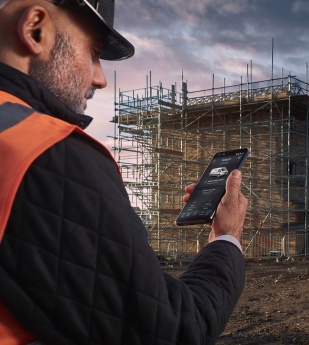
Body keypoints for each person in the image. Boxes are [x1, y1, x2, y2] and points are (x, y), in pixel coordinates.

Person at [0, 0, 246, 343]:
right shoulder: (44, 152)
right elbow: (171, 330)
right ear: (35, 29)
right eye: (94, 52)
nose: (100, 78)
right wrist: (227, 239)